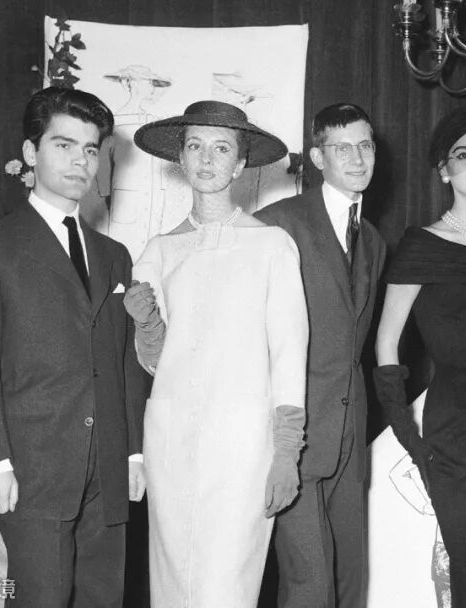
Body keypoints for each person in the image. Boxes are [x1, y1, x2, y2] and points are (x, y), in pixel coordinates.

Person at [0, 86, 147, 607]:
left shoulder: (114, 255)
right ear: (31, 153)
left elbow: (124, 362)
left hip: (107, 470)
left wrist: (132, 451)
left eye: (90, 149)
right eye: (64, 145)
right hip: (33, 468)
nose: (80, 161)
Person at [126, 100, 308, 607]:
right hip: (170, 443)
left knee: (226, 588)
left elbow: (289, 352)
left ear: (241, 163)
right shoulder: (158, 250)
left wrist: (286, 453)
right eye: (195, 146)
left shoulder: (272, 246)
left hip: (244, 448)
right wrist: (148, 325)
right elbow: (155, 363)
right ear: (181, 159)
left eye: (222, 148)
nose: (207, 159)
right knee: (172, 587)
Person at [373, 108, 466, 607]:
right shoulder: (422, 246)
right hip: (454, 436)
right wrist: (406, 432)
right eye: (464, 155)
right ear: (444, 170)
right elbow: (386, 342)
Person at [255, 103, 387, 608]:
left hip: (350, 436)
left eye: (365, 145)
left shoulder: (373, 240)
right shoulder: (276, 225)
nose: (357, 158)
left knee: (350, 580)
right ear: (317, 157)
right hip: (294, 436)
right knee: (309, 584)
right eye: (342, 148)